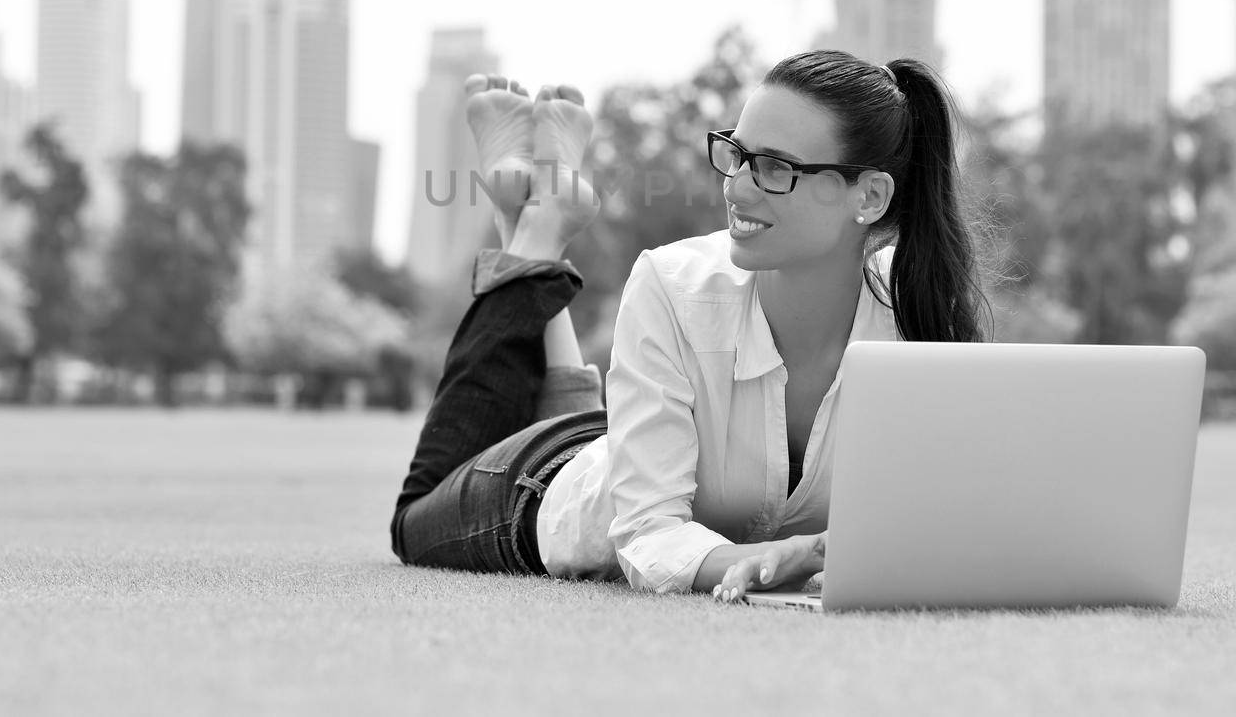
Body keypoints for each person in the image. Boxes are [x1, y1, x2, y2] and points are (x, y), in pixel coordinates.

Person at [391, 50, 988, 602]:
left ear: (872, 196)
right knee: (415, 518)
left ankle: (525, 213)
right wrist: (775, 558)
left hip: (630, 442)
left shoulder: (917, 313)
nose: (737, 186)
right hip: (550, 490)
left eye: (776, 168)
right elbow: (649, 532)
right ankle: (535, 229)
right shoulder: (674, 285)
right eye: (738, 154)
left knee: (597, 429)